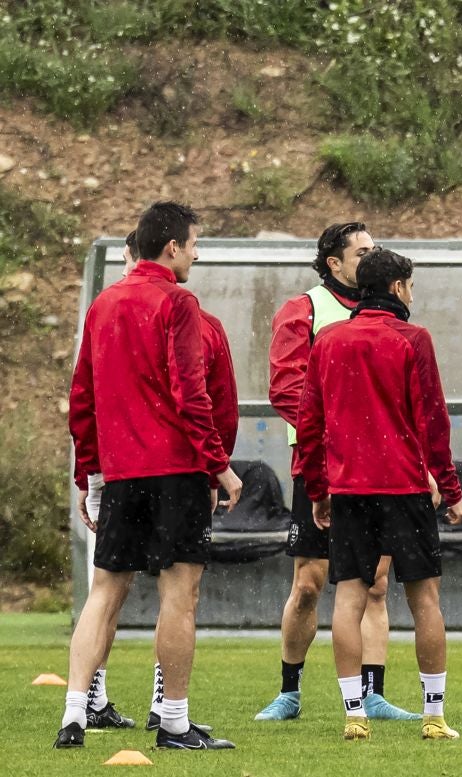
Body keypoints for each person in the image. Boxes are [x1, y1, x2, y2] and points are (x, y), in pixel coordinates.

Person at [60, 202, 240, 751]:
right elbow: (192, 394)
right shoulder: (180, 303)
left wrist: (89, 475)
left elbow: (81, 401)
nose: (197, 253)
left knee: (105, 594)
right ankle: (175, 723)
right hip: (177, 472)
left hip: (121, 475)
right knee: (178, 597)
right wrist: (220, 468)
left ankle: (72, 714)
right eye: (193, 244)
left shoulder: (104, 304)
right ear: (172, 248)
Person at [297, 248, 462, 741]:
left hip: (350, 489)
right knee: (425, 599)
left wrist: (318, 489)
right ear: (397, 287)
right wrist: (452, 490)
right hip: (405, 488)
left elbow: (311, 424)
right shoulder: (413, 339)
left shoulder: (329, 341)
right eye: (410, 285)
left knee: (350, 597)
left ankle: (355, 715)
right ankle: (434, 716)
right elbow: (433, 421)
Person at [255, 223, 418, 722]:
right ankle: (290, 691)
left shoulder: (389, 315)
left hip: (377, 466)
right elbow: (286, 389)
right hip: (322, 464)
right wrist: (336, 430)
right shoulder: (302, 310)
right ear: (334, 263)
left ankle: (372, 695)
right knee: (309, 583)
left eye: (376, 250)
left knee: (375, 582)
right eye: (363, 251)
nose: (373, 257)